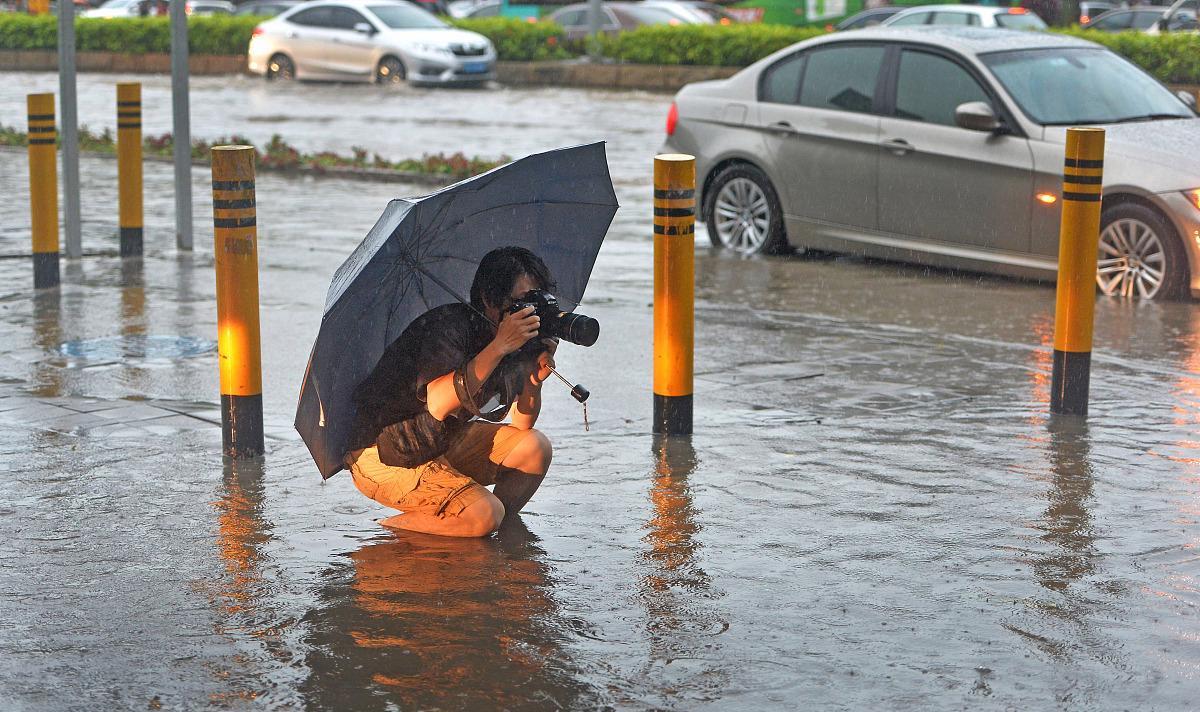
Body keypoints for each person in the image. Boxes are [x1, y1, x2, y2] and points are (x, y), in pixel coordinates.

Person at [344, 246, 558, 538]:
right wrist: (498, 348)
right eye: (522, 302)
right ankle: (392, 533)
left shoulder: (510, 337)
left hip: (441, 440)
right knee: (485, 513)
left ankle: (472, 525)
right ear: (489, 300)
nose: (530, 312)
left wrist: (534, 380)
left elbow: (522, 424)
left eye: (537, 301)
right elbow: (438, 402)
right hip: (386, 452)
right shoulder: (448, 328)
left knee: (535, 448)